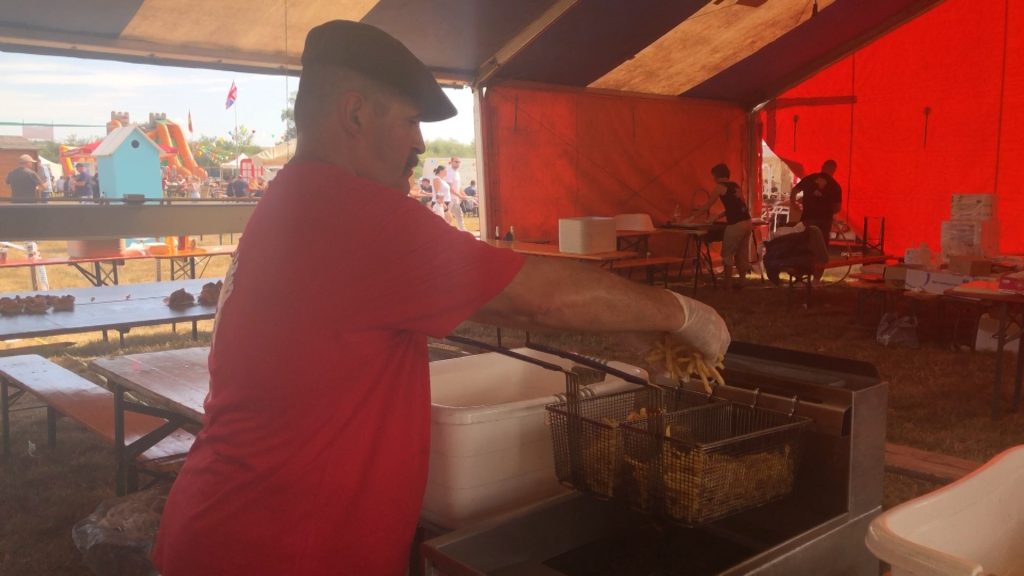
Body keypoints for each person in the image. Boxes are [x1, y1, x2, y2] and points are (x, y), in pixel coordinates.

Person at [152, 20, 730, 576]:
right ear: (355, 113)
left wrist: (623, 329)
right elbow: (536, 298)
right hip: (281, 552)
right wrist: (679, 312)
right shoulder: (353, 216)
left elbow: (487, 302)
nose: (420, 144)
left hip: (246, 530)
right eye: (409, 122)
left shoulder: (299, 202)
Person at [691, 163, 753, 289]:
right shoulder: (736, 186)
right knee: (742, 252)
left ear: (716, 176)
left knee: (727, 254)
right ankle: (742, 282)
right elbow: (736, 206)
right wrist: (718, 217)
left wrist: (693, 216)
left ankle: (728, 285)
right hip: (747, 221)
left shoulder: (720, 187)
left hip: (736, 224)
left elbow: (707, 205)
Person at [791, 159, 842, 248]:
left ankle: (806, 260)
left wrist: (793, 203)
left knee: (805, 243)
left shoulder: (809, 179)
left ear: (822, 167)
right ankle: (820, 261)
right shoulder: (835, 186)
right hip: (825, 220)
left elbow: (794, 190)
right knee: (821, 245)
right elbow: (837, 207)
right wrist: (827, 211)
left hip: (808, 217)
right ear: (834, 170)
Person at [445, 156, 467, 231]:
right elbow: (450, 188)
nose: (458, 164)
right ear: (451, 162)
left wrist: (463, 194)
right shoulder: (449, 172)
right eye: (456, 162)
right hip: (449, 199)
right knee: (447, 218)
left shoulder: (456, 172)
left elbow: (458, 186)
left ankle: (464, 233)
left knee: (459, 217)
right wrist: (460, 196)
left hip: (455, 199)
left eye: (459, 162)